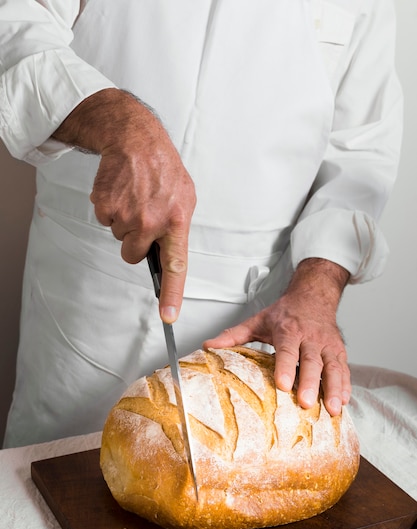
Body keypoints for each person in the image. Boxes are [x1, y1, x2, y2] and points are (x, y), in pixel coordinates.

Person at [0, 0, 402, 447]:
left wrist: (317, 291)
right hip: (88, 297)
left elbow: (360, 151)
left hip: (256, 322)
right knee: (50, 487)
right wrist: (119, 121)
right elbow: (12, 20)